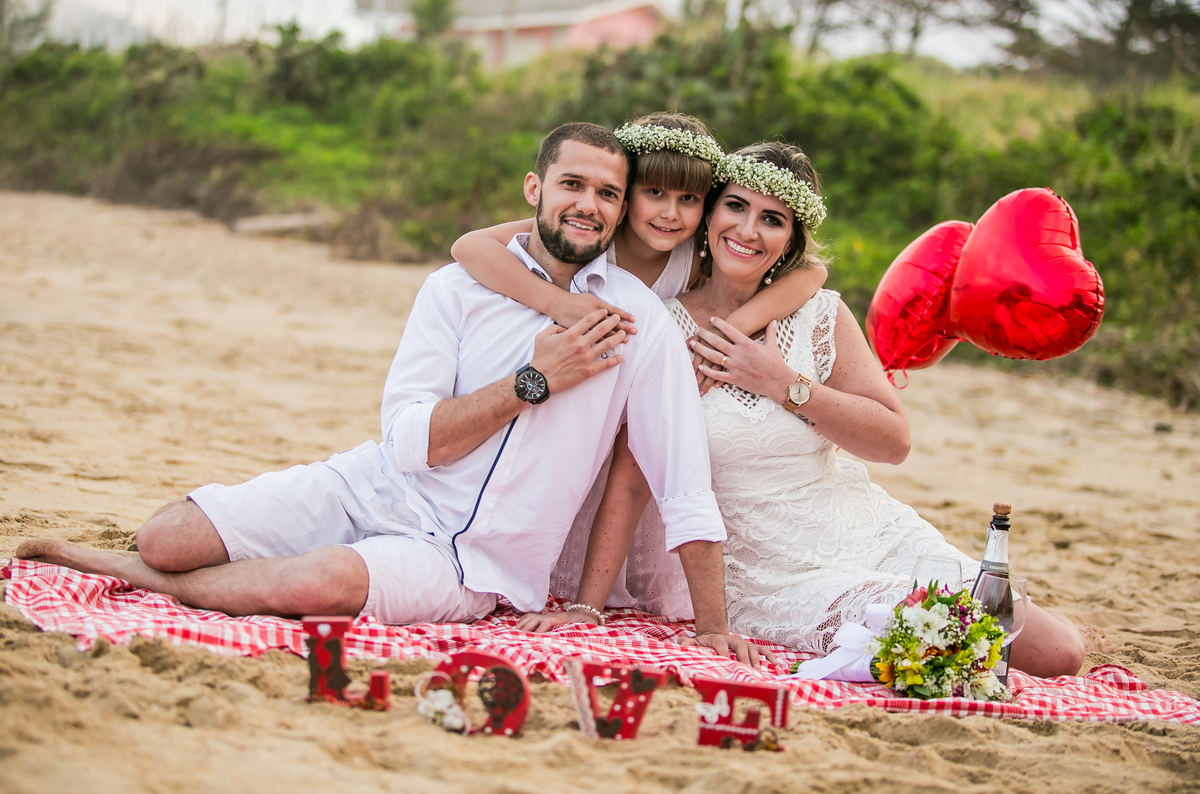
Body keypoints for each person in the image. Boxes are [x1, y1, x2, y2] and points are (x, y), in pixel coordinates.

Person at [16, 122, 764, 664]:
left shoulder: (638, 323)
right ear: (535, 189)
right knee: (167, 537)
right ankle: (158, 565)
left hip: (472, 562)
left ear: (621, 209)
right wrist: (534, 382)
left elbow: (678, 477)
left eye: (607, 193)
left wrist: (712, 629)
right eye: (572, 184)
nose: (588, 204)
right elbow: (409, 441)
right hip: (375, 485)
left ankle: (134, 578)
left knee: (325, 582)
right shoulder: (455, 288)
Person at [519, 141, 1087, 679]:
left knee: (1058, 651)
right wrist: (588, 608)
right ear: (708, 216)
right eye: (735, 207)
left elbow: (893, 442)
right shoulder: (664, 326)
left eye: (772, 219)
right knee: (946, 641)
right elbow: (631, 478)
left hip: (863, 527)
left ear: (790, 240)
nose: (748, 230)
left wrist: (783, 383)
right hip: (767, 572)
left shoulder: (820, 314)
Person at [451, 113, 826, 615]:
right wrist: (559, 303)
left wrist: (723, 335)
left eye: (689, 199)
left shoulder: (691, 256)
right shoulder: (590, 237)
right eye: (654, 193)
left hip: (634, 419)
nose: (670, 214)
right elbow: (469, 246)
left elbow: (812, 274)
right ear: (626, 195)